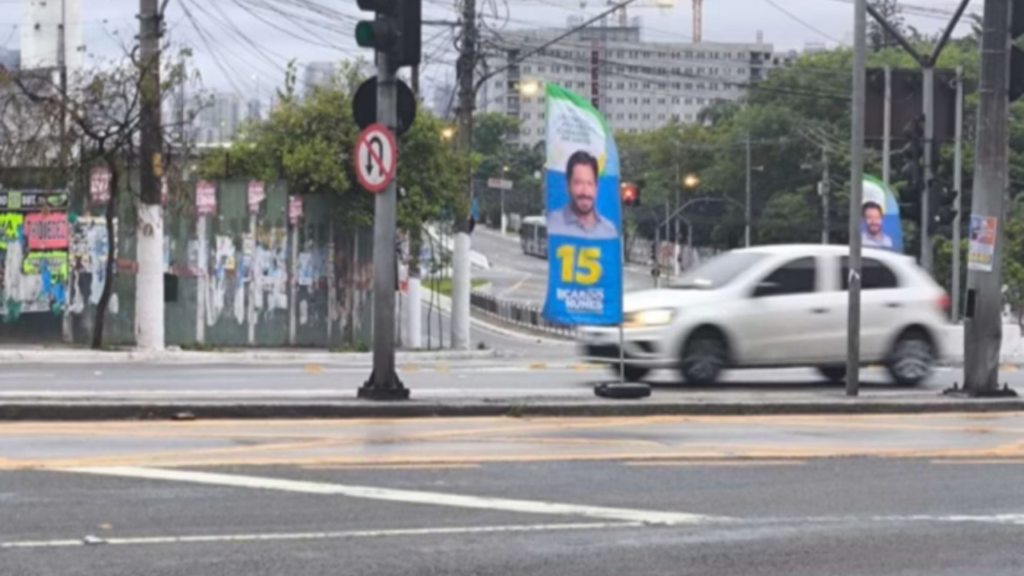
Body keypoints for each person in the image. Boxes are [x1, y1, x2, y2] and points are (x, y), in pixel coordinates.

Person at [547, 150, 619, 240]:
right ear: (568, 186)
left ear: (596, 188)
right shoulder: (552, 225)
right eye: (578, 183)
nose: (585, 192)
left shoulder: (609, 232)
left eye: (589, 183)